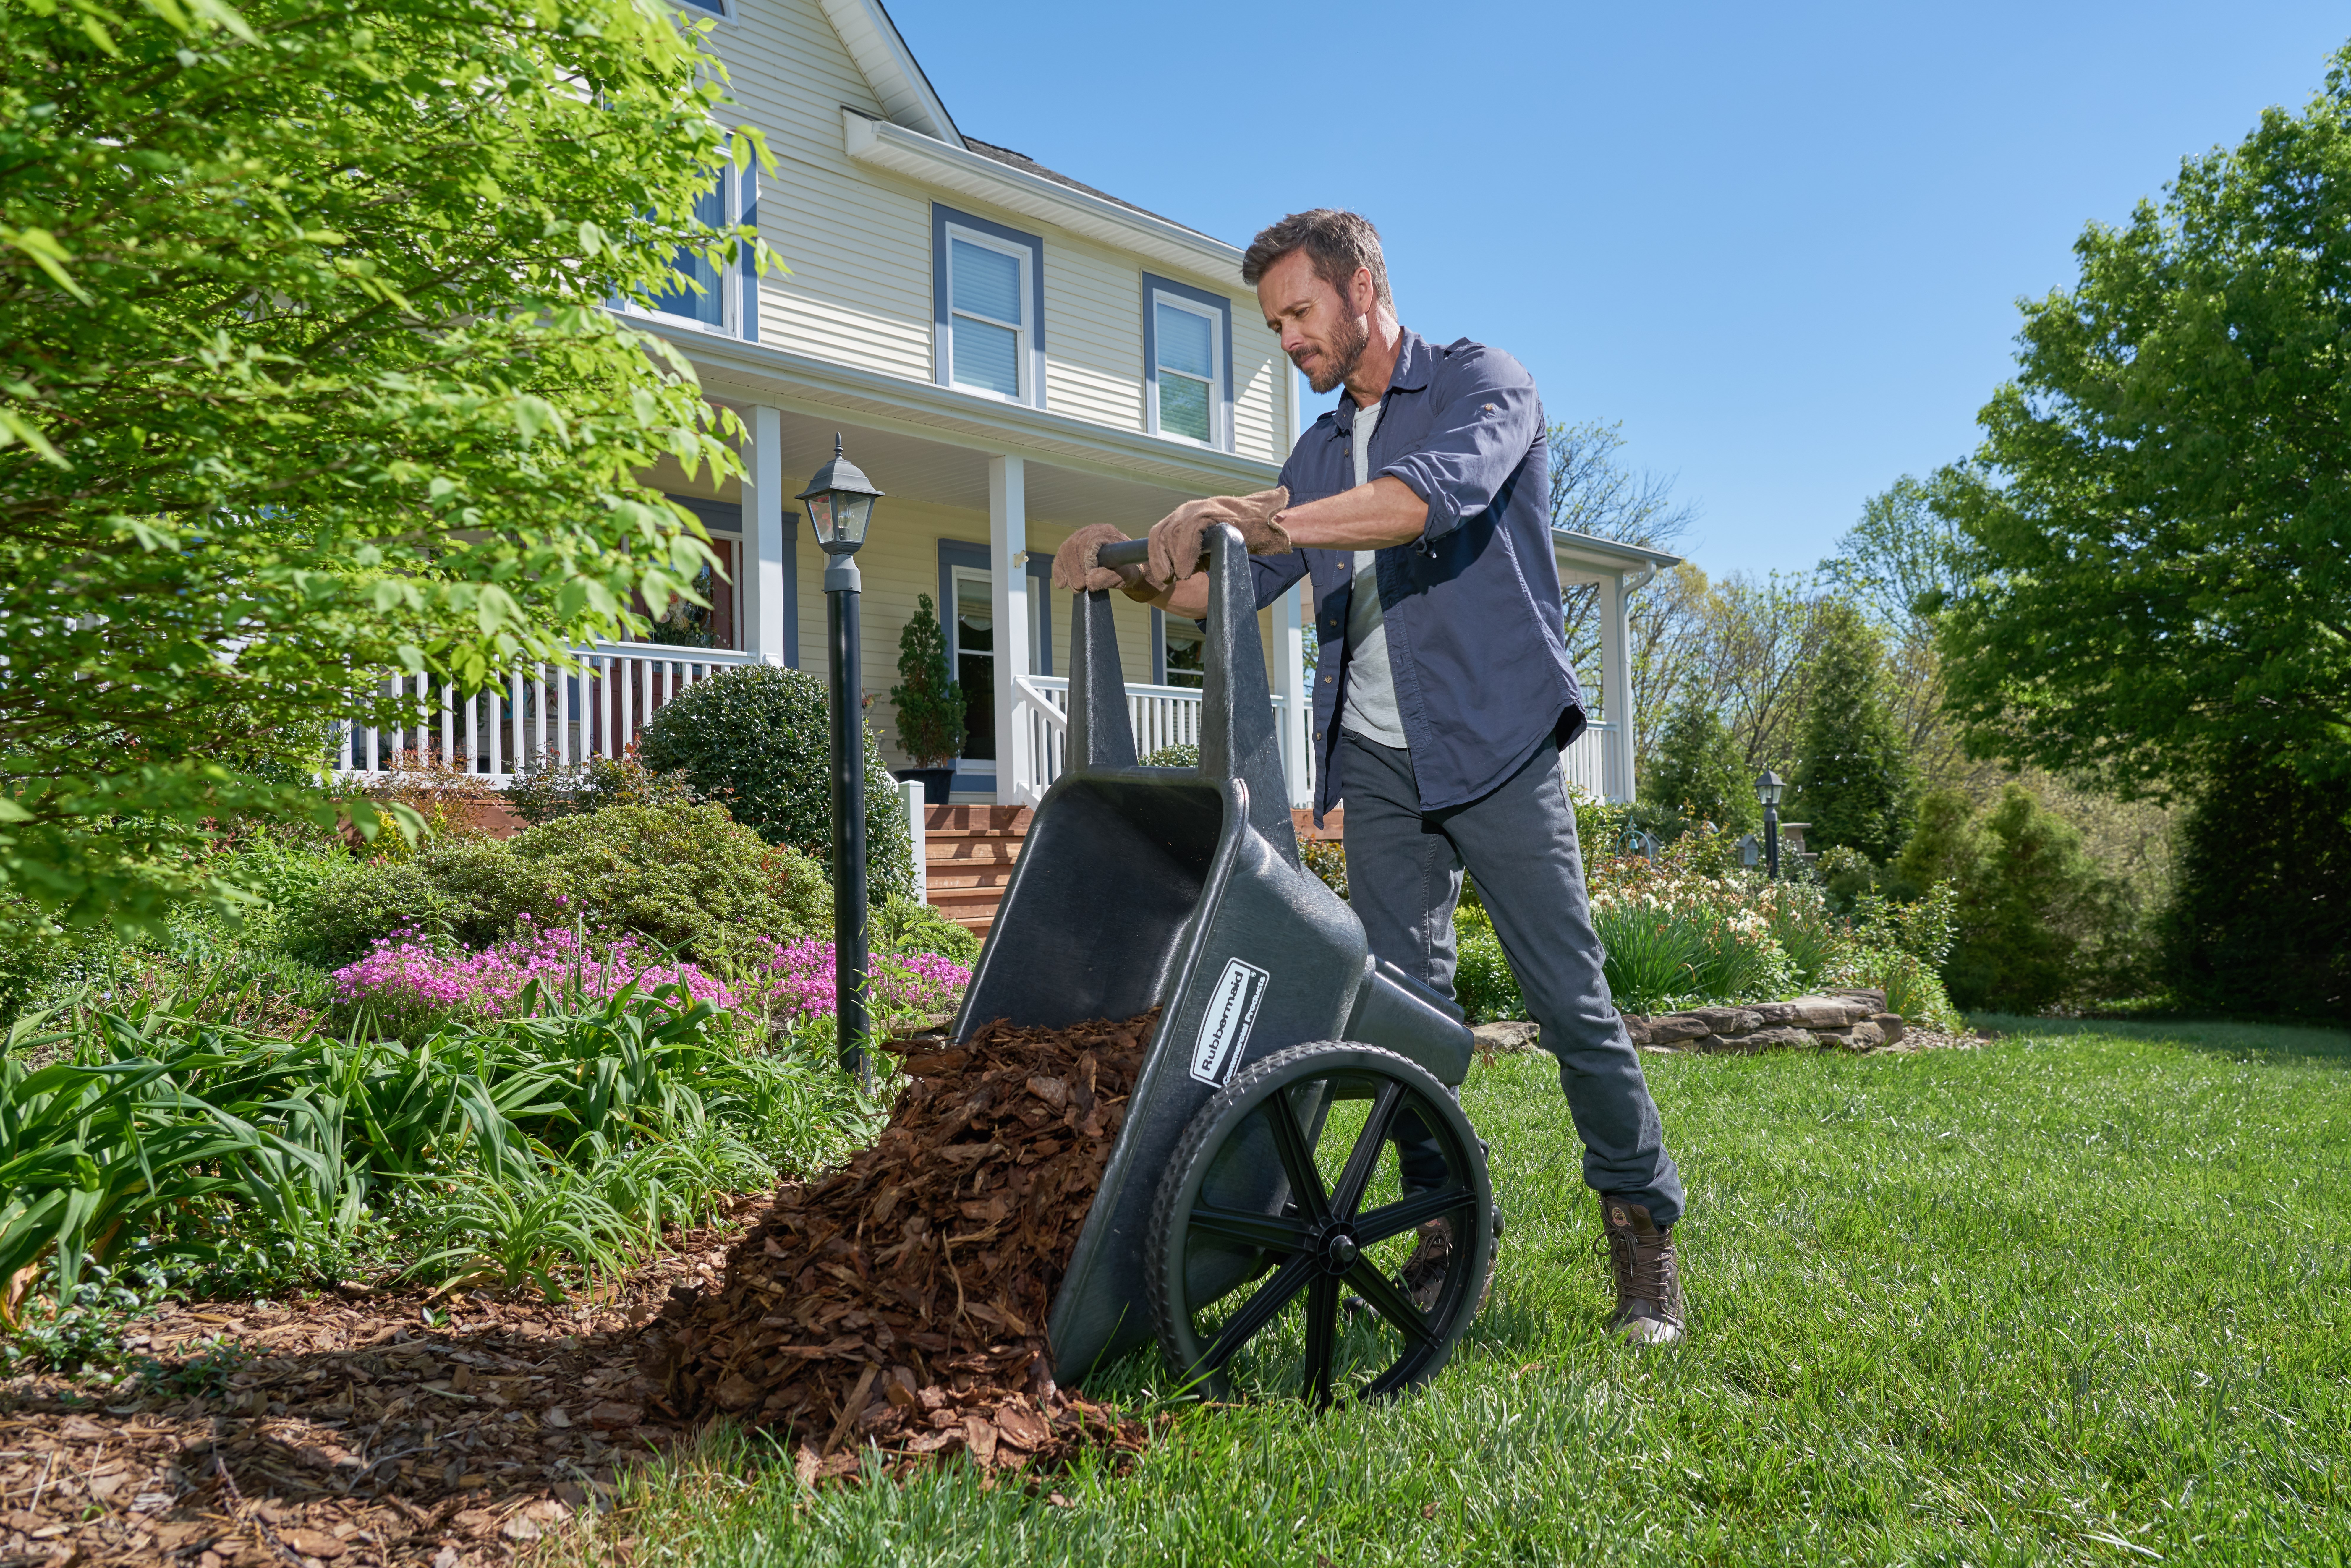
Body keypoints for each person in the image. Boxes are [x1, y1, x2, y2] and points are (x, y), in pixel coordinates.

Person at [1052, 209, 1687, 1345]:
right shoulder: (1314, 453)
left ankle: (1642, 1229)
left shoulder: (1482, 384)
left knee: (1571, 1002)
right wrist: (1124, 568)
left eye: (1299, 312)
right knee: (1406, 1019)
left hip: (1497, 748)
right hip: (1381, 764)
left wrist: (1253, 521)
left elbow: (1420, 502)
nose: (1289, 339)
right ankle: (1442, 1227)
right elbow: (1230, 586)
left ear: (1362, 288)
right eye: (1275, 324)